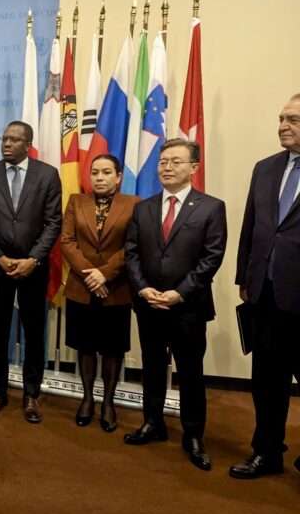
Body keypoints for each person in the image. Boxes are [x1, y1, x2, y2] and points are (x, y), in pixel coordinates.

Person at [124, 138, 227, 471]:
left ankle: (193, 435)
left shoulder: (211, 207)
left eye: (175, 162)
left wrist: (180, 292)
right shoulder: (143, 208)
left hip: (188, 307)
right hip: (150, 305)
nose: (166, 167)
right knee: (152, 368)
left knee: (191, 373)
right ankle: (153, 423)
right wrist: (142, 289)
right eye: (163, 161)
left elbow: (212, 257)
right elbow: (132, 254)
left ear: (193, 168)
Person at [0, 121, 62, 423]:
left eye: (14, 140)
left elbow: (53, 223)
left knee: (34, 333)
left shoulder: (47, 175)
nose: (6, 144)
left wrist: (33, 259)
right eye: (4, 139)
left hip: (33, 269)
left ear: (28, 144)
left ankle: (31, 394)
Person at [231, 93, 300, 479]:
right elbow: (251, 225)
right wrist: (244, 276)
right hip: (266, 293)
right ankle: (267, 452)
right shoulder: (266, 168)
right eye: (280, 118)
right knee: (267, 382)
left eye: (292, 119)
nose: (282, 126)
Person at [61, 154, 140, 432]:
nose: (99, 177)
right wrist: (90, 274)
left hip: (115, 288)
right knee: (85, 345)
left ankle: (108, 402)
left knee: (112, 348)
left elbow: (133, 245)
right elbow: (67, 241)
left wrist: (105, 273)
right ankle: (87, 399)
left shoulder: (134, 204)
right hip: (82, 287)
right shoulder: (75, 201)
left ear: (118, 177)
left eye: (106, 172)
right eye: (95, 172)